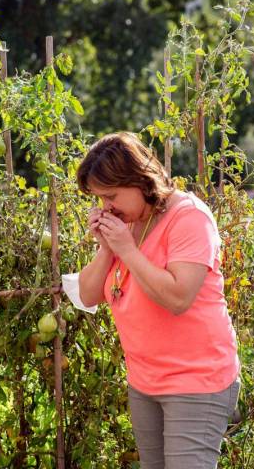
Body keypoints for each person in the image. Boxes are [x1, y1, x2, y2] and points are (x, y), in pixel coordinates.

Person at [77, 132, 239, 468]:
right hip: (145, 381)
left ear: (139, 181)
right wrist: (108, 248)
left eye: (111, 196)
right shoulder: (129, 224)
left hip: (195, 380)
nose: (106, 207)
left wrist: (127, 249)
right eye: (99, 199)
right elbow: (88, 294)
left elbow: (179, 297)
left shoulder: (189, 217)